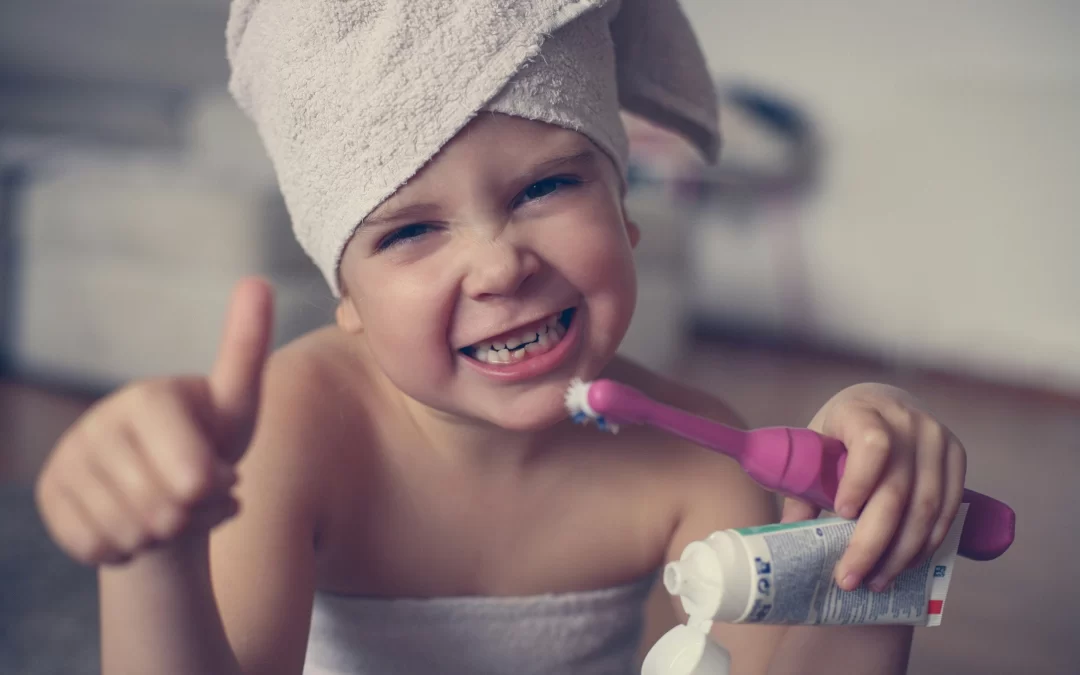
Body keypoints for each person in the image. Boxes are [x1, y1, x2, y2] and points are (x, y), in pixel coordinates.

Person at [34, 1, 966, 674]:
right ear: (345, 296)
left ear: (626, 212)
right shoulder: (295, 429)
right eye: (409, 231)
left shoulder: (697, 461)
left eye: (545, 187)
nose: (498, 266)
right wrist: (151, 556)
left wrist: (870, 538)